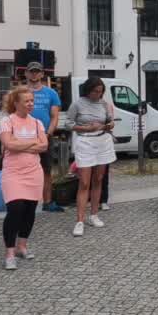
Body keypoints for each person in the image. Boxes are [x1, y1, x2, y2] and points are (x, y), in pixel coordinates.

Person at [0, 87, 47, 270]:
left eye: (32, 101)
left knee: (29, 209)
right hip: (13, 172)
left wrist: (21, 145)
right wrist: (32, 143)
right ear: (16, 103)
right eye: (26, 101)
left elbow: (44, 145)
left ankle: (22, 245)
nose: (30, 104)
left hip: (34, 171)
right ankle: (9, 252)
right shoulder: (6, 121)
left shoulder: (37, 123)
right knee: (15, 208)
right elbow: (8, 144)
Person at [66, 77, 116, 237]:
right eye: (95, 91)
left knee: (98, 179)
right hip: (86, 142)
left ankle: (94, 215)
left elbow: (109, 120)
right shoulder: (77, 104)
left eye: (101, 92)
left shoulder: (103, 104)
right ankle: (79, 221)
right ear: (88, 90)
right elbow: (68, 124)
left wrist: (110, 124)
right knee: (84, 182)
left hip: (103, 141)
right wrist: (86, 128)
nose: (98, 94)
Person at [23, 63, 64, 213]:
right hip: (24, 137)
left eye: (37, 72)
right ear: (26, 74)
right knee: (25, 171)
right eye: (31, 71)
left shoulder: (51, 93)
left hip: (44, 136)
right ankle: (26, 202)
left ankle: (47, 202)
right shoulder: (20, 92)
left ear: (42, 74)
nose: (34, 74)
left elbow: (54, 117)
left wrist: (48, 134)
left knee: (46, 170)